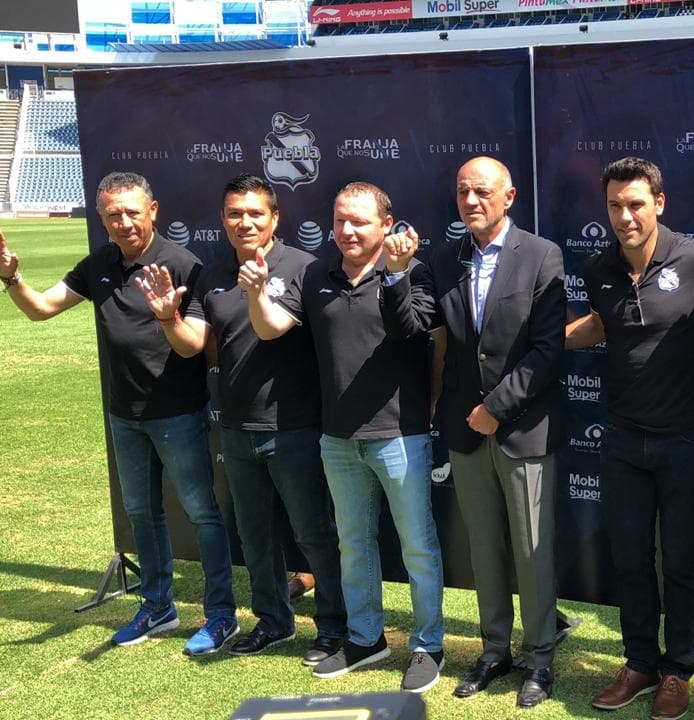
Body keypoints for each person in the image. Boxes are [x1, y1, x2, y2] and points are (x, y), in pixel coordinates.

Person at [0, 171, 237, 654]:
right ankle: (158, 607)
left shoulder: (183, 264)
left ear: (153, 210)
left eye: (132, 211)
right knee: (141, 514)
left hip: (178, 414)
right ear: (102, 218)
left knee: (201, 514)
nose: (124, 222)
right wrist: (11, 277)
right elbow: (42, 308)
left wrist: (166, 315)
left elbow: (197, 346)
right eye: (113, 214)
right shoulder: (100, 263)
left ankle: (220, 615)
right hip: (123, 415)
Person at [133, 174, 346, 666]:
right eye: (234, 213)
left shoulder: (303, 268)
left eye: (254, 213)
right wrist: (168, 317)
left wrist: (256, 290)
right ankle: (272, 622)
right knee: (254, 536)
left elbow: (272, 329)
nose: (244, 222)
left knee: (314, 533)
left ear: (275, 218)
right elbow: (193, 344)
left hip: (294, 425)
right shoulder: (213, 273)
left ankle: (334, 628)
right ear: (224, 219)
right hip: (236, 425)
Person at [244, 182, 446, 693]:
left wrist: (397, 275)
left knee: (417, 545)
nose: (348, 230)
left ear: (385, 223)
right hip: (336, 437)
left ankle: (427, 645)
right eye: (340, 221)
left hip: (401, 435)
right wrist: (253, 292)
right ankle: (365, 638)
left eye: (359, 221)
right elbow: (271, 329)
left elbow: (409, 329)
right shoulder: (316, 274)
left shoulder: (415, 270)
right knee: (354, 544)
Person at [391, 156, 565, 708]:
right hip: (466, 433)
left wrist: (496, 406)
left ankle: (539, 656)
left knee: (532, 552)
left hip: (522, 430)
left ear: (508, 197)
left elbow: (546, 351)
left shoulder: (541, 255)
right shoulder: (445, 257)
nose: (471, 200)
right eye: (463, 191)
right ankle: (495, 650)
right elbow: (417, 327)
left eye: (482, 191)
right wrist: (397, 275)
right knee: (485, 549)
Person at [565, 157, 694, 720]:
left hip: (685, 441)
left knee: (681, 563)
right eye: (614, 205)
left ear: (659, 203)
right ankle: (639, 662)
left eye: (635, 204)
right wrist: (537, 341)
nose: (625, 216)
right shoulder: (599, 267)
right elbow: (602, 325)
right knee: (630, 559)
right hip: (623, 440)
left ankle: (678, 671)